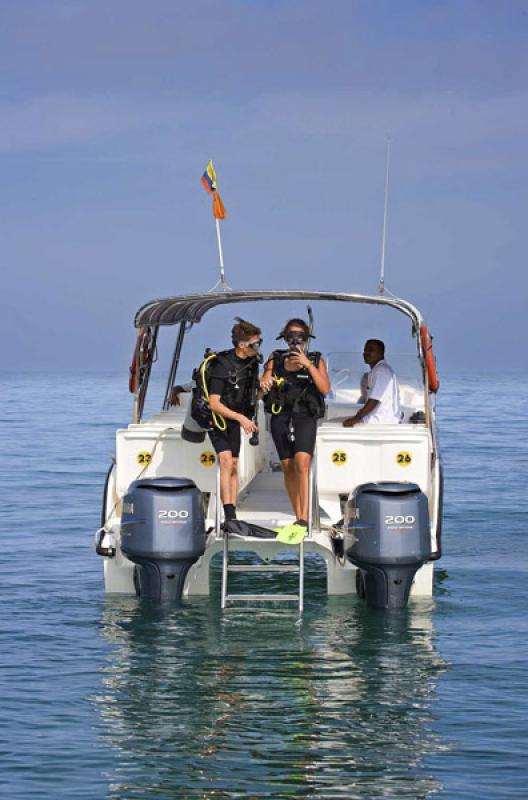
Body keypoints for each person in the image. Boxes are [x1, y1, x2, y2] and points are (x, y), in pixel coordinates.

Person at [261, 318, 330, 540]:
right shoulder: (276, 357)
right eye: (291, 336)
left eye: (300, 336)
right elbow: (265, 380)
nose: (295, 340)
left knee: (302, 463)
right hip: (281, 415)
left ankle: (303, 518)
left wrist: (307, 364)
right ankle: (298, 514)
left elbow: (325, 388)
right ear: (285, 337)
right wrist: (265, 381)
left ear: (306, 339)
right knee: (288, 466)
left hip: (305, 416)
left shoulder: (315, 359)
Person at [206, 320, 262, 523]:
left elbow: (253, 394)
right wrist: (241, 418)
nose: (258, 348)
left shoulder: (252, 364)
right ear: (241, 345)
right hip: (217, 419)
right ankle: (229, 515)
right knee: (226, 461)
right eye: (255, 344)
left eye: (259, 343)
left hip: (234, 419)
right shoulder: (223, 365)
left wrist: (264, 388)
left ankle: (233, 509)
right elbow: (214, 403)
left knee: (235, 464)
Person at [342, 339, 401, 426]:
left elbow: (374, 400)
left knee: (332, 423)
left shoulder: (382, 371)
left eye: (371, 350)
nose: (366, 353)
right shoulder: (378, 369)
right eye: (365, 350)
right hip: (376, 421)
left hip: (379, 423)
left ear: (381, 353)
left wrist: (356, 418)